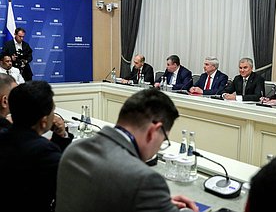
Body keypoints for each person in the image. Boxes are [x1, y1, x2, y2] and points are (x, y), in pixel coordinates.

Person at [56, 88, 198, 212]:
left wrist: (155, 202)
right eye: (163, 141)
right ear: (153, 131)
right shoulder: (144, 180)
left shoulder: (73, 150)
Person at [0, 81, 73, 212]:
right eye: (53, 110)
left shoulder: (4, 136)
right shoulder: (45, 154)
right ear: (44, 122)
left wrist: (61, 136)